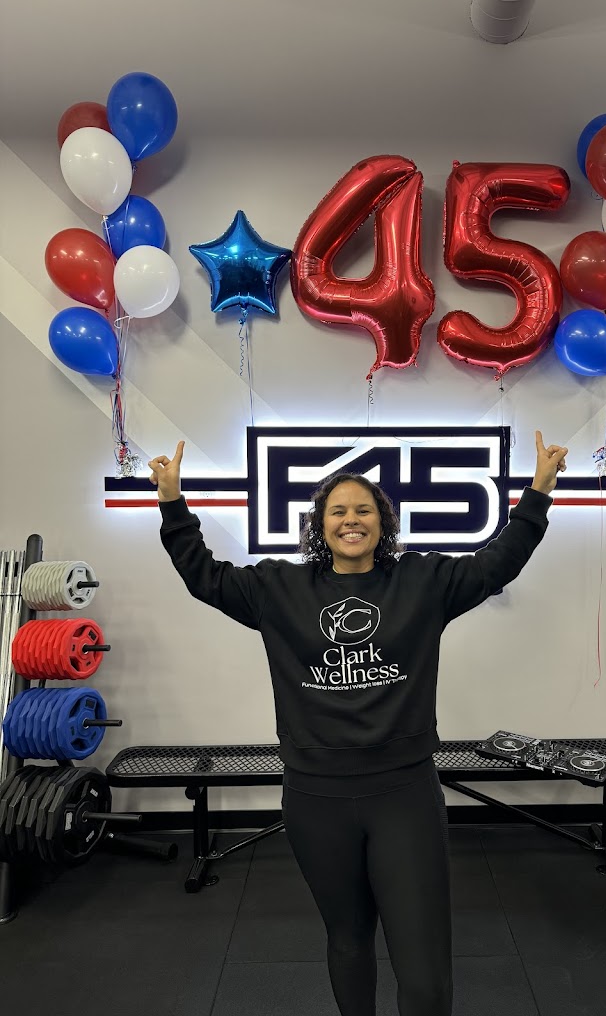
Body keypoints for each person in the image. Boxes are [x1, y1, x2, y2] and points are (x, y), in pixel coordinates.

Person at [149, 430, 567, 1016]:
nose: (351, 520)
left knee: (423, 968)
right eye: (338, 511)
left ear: (382, 523)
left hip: (404, 795)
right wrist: (172, 503)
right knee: (347, 940)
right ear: (320, 525)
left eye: (364, 510)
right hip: (315, 798)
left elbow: (499, 561)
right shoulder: (278, 588)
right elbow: (204, 576)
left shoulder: (423, 582)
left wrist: (539, 491)